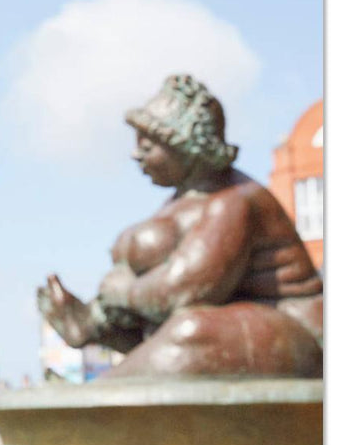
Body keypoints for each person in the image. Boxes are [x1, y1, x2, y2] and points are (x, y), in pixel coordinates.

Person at [38, 75, 323, 377]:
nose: (136, 155)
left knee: (191, 329)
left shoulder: (234, 201)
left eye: (147, 147)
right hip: (238, 328)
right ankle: (97, 399)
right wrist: (91, 322)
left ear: (183, 144)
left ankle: (93, 403)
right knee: (174, 330)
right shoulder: (183, 201)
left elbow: (185, 290)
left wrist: (127, 291)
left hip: (296, 334)